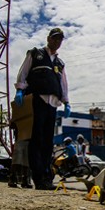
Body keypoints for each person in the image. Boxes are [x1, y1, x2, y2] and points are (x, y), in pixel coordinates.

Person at [14, 27, 70, 190]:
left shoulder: (60, 64)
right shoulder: (36, 54)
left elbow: (63, 84)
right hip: (37, 100)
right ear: (48, 38)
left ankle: (46, 176)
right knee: (36, 139)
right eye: (54, 38)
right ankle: (38, 177)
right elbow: (23, 72)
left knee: (47, 142)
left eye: (60, 39)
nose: (57, 42)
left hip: (52, 104)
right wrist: (19, 90)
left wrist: (66, 102)